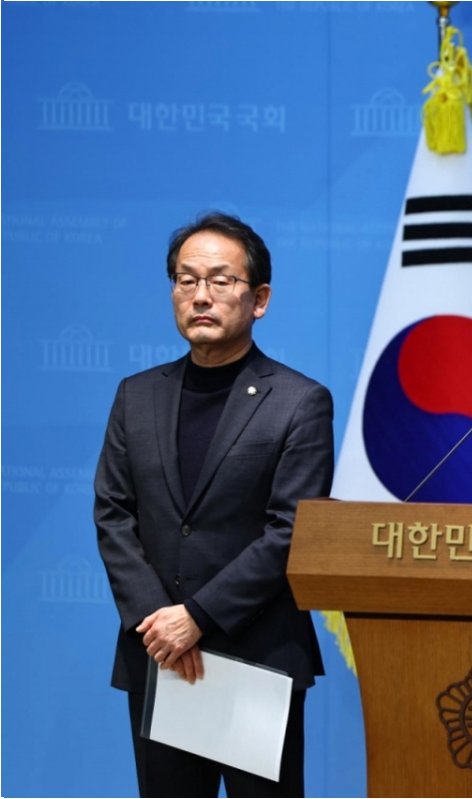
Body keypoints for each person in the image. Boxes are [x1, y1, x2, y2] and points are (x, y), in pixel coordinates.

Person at [94, 212, 333, 797]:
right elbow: (113, 513)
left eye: (221, 281)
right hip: (160, 658)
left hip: (256, 658)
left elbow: (291, 529)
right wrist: (159, 620)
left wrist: (197, 617)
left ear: (260, 299)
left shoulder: (299, 401)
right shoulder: (136, 395)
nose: (200, 296)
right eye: (186, 280)